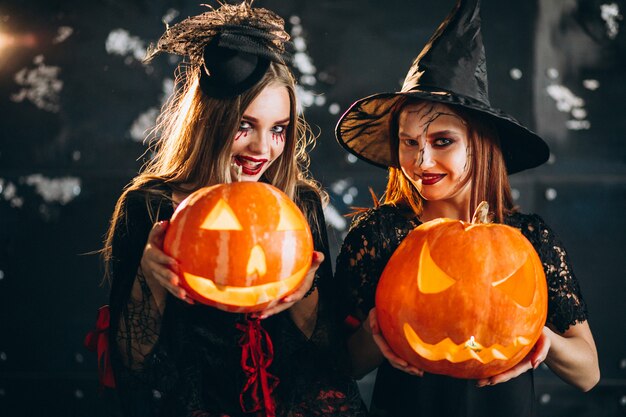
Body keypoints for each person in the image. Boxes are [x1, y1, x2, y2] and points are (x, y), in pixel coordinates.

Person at [95, 2, 366, 416]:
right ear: (209, 122)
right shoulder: (149, 208)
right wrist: (149, 278)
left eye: (278, 129)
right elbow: (131, 364)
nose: (262, 148)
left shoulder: (299, 203)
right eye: (245, 125)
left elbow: (331, 355)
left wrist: (303, 292)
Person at [334, 0, 600, 416]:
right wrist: (375, 335)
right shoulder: (379, 235)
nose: (421, 162)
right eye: (409, 143)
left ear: (480, 142)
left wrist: (542, 341)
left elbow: (588, 373)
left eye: (442, 141)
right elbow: (338, 366)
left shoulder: (528, 238)